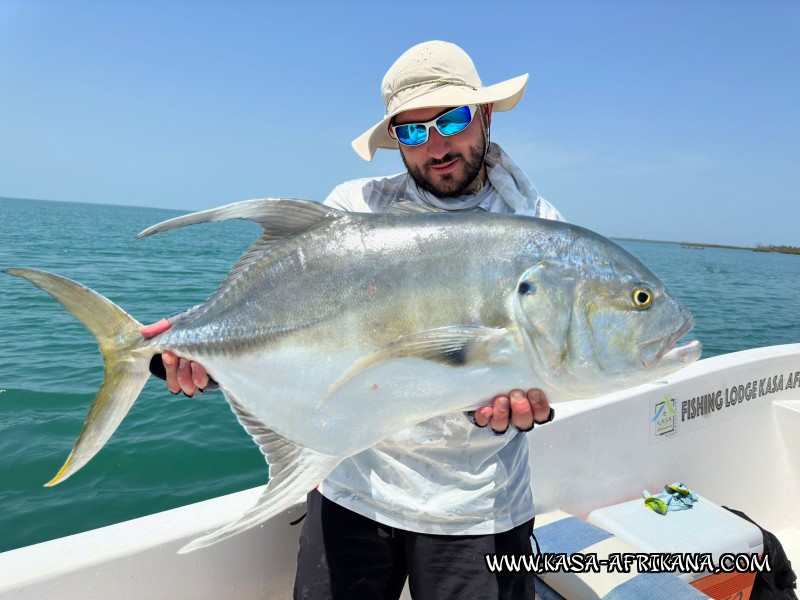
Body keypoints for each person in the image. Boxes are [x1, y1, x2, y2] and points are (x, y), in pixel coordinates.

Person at [145, 41, 562, 599]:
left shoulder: (539, 233)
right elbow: (302, 332)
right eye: (411, 132)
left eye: (452, 119)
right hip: (352, 484)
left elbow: (551, 364)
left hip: (479, 510)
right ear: (394, 140)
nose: (435, 145)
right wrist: (204, 356)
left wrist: (536, 400)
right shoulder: (355, 211)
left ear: (484, 114)